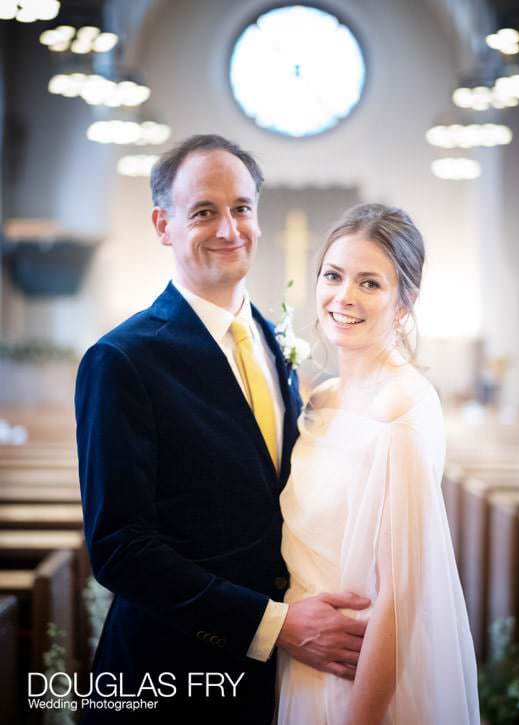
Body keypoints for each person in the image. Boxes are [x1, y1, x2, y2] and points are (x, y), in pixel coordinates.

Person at [74, 135, 369, 724]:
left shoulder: (272, 339)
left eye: (241, 208)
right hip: (168, 677)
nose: (229, 228)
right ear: (164, 224)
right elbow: (121, 549)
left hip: (268, 685)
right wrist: (276, 626)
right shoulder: (121, 360)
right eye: (204, 211)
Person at [277, 203, 480, 724]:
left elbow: (401, 597)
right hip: (301, 655)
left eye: (370, 283)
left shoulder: (403, 406)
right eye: (334, 275)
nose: (344, 296)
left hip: (360, 677)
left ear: (404, 301)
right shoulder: (322, 398)